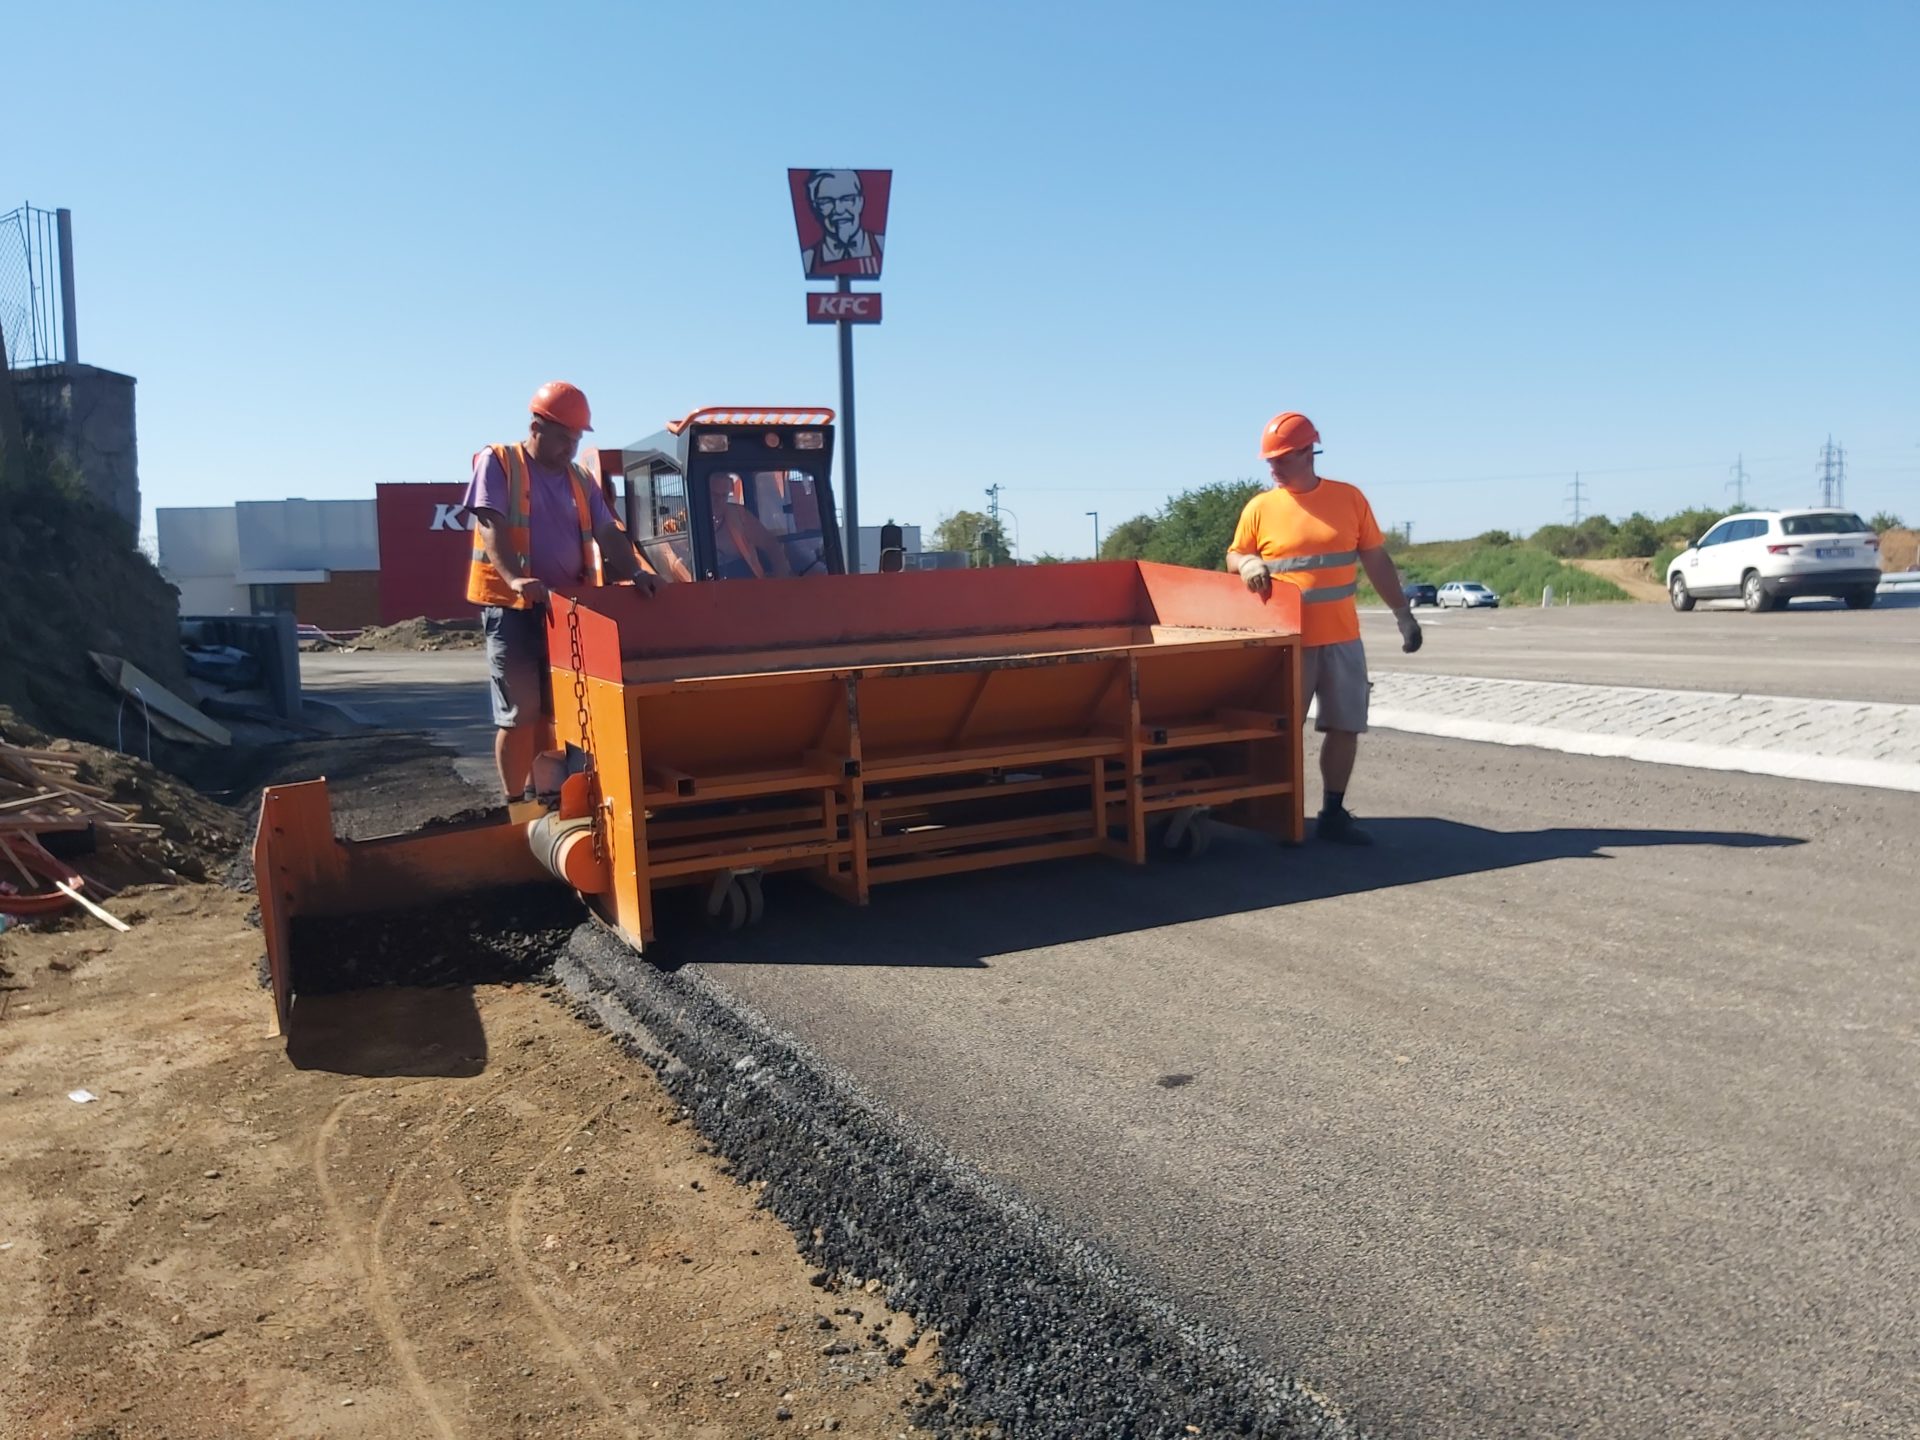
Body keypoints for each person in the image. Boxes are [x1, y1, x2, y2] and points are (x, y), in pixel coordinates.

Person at [1226, 411, 1422, 845]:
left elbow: (1376, 560)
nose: (1273, 467)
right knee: (1282, 734)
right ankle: (1280, 816)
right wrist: (1247, 563)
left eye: (1281, 459)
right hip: (1288, 644)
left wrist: (1403, 614)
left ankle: (1333, 814)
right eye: (1269, 460)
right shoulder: (1260, 508)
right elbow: (1234, 554)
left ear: (1307, 452)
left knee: (1346, 726)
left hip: (1342, 639)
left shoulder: (1349, 499)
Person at [464, 381, 655, 799]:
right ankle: (515, 803)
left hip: (567, 609)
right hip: (511, 608)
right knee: (520, 715)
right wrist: (515, 578)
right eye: (564, 438)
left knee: (562, 712)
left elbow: (608, 531)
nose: (571, 447)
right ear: (536, 427)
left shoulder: (580, 479)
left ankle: (550, 798)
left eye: (576, 439)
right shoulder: (500, 462)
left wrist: (635, 571)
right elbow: (492, 523)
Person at [800, 169, 884, 278]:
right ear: (816, 207)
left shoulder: (880, 245)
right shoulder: (809, 258)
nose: (839, 210)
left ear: (860, 202)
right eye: (826, 201)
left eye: (847, 199)